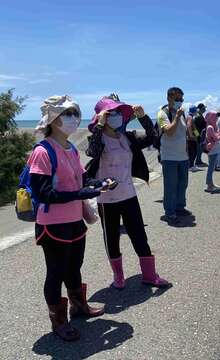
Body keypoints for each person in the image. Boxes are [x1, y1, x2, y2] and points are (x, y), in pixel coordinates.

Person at [29, 95, 107, 341]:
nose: (74, 119)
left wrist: (100, 184)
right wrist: (80, 193)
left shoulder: (71, 149)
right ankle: (59, 321)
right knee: (55, 272)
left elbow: (82, 180)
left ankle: (78, 307)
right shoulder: (43, 151)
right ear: (53, 119)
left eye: (75, 113)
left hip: (74, 221)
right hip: (52, 224)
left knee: (74, 267)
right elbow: (43, 193)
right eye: (67, 114)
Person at [86, 95, 171, 289]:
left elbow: (153, 138)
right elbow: (92, 151)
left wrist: (143, 118)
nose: (115, 116)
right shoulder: (98, 139)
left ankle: (150, 275)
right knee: (112, 238)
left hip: (129, 195)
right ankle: (118, 276)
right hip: (107, 199)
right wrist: (99, 126)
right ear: (102, 117)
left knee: (139, 234)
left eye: (117, 112)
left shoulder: (127, 137)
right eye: (110, 113)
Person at [157, 87, 191, 225]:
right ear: (169, 98)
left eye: (182, 99)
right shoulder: (162, 114)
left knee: (183, 184)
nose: (180, 102)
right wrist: (176, 117)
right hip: (169, 157)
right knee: (170, 186)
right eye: (177, 99)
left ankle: (180, 207)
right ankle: (169, 212)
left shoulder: (182, 114)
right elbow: (169, 132)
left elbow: (183, 134)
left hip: (183, 156)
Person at [205, 111, 220, 193]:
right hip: (212, 151)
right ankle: (209, 185)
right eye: (215, 117)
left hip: (214, 150)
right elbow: (216, 138)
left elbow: (216, 136)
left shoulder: (213, 126)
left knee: (212, 167)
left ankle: (211, 183)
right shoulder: (210, 127)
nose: (216, 118)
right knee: (211, 168)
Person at [186, 105, 200, 172]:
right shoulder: (190, 117)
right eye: (196, 110)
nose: (197, 111)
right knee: (193, 152)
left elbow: (194, 128)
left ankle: (192, 165)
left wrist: (198, 135)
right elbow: (189, 126)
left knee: (193, 152)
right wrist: (191, 135)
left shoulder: (190, 117)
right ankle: (191, 166)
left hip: (192, 139)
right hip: (191, 139)